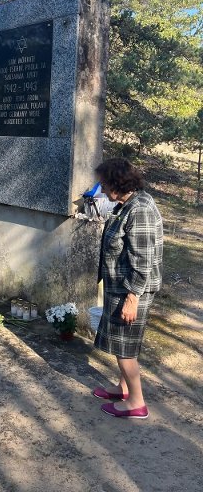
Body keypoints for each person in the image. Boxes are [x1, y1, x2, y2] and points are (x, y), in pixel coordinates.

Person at [92, 158, 163, 419]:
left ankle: (136, 402)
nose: (100, 189)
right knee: (122, 344)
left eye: (103, 184)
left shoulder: (140, 209)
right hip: (120, 287)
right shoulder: (128, 204)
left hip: (131, 290)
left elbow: (143, 259)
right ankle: (123, 388)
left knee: (125, 349)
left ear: (116, 184)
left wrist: (132, 297)